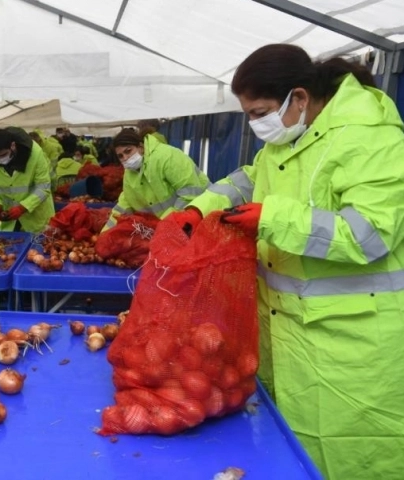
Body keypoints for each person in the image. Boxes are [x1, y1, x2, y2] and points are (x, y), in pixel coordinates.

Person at [166, 44, 404, 479]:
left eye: (261, 112)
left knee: (350, 456)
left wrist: (272, 218)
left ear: (299, 97)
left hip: (352, 342)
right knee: (290, 450)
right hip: (288, 330)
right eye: (249, 115)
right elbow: (250, 178)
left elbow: (371, 233)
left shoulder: (370, 136)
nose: (255, 124)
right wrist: (199, 208)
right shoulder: (291, 136)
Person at [103, 128, 209, 230]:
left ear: (141, 146)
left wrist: (163, 225)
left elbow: (190, 195)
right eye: (120, 156)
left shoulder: (167, 157)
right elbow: (124, 205)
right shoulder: (129, 174)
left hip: (203, 214)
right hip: (173, 225)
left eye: (128, 151)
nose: (125, 158)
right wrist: (106, 233)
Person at [0, 127, 55, 233]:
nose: (0, 159)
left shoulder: (35, 153)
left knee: (39, 245)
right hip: (9, 220)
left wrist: (22, 208)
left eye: (3, 155)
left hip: (36, 218)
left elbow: (43, 187)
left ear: (13, 145)